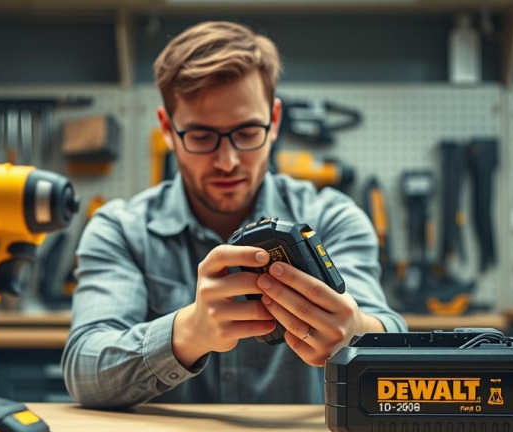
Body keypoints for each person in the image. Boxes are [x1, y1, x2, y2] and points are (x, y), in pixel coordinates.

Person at [63, 21, 406, 408]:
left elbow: (390, 334)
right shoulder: (119, 230)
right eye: (201, 136)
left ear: (274, 122)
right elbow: (84, 370)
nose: (226, 162)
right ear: (167, 130)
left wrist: (354, 332)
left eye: (246, 133)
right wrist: (189, 332)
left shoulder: (333, 218)